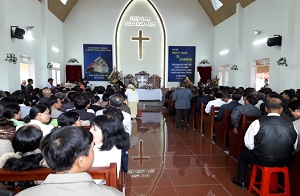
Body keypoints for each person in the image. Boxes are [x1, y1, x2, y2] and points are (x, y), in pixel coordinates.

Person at [16, 126, 123, 196]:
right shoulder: (111, 194)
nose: (93, 152)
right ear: (81, 161)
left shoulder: (23, 195)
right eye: (92, 149)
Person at [231, 98, 298, 188]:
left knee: (243, 155)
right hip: (285, 160)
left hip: (262, 159)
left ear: (266, 109)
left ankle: (241, 181)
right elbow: (294, 145)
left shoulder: (258, 123)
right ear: (281, 109)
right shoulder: (291, 124)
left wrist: (258, 150)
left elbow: (248, 144)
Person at [90, 114, 129, 182]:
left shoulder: (103, 154)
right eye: (91, 127)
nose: (90, 131)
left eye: (94, 129)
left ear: (107, 133)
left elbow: (92, 180)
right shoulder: (111, 146)